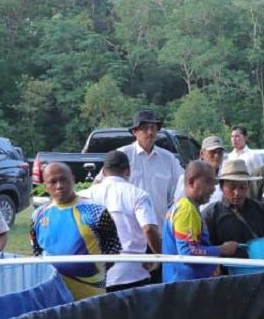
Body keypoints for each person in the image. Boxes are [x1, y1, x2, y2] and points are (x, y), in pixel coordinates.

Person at [31, 162, 121, 299]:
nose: (59, 186)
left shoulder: (97, 211)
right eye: (53, 182)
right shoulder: (37, 215)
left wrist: (93, 274)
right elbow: (37, 252)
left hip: (91, 295)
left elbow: (113, 249)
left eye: (63, 179)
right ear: (45, 186)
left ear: (72, 179)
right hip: (52, 296)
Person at [84, 150, 160, 293]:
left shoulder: (85, 195)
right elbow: (149, 228)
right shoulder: (138, 194)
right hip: (132, 274)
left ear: (104, 172)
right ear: (127, 170)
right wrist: (158, 255)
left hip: (96, 275)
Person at [163, 160, 237, 283]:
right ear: (191, 182)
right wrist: (222, 249)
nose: (213, 189)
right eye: (208, 182)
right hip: (184, 286)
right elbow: (187, 252)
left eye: (214, 183)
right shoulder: (186, 210)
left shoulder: (187, 206)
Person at [119, 109, 184, 240]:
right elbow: (104, 184)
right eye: (144, 128)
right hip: (129, 236)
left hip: (160, 233)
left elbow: (181, 186)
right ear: (135, 132)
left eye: (153, 128)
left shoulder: (168, 159)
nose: (150, 132)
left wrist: (173, 210)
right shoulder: (122, 156)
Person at [202, 159, 264, 260]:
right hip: (226, 272)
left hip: (261, 269)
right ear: (221, 186)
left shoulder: (260, 209)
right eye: (232, 187)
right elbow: (205, 248)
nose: (237, 193)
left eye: (242, 187)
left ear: (248, 186)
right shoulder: (211, 214)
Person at [173, 136, 226, 210]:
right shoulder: (188, 177)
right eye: (212, 152)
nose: (216, 156)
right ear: (202, 153)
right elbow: (178, 205)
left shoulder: (226, 179)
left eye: (220, 153)